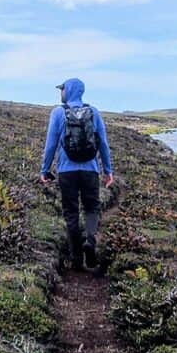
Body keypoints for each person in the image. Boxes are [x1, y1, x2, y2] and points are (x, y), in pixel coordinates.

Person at [39, 78, 114, 269]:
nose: (61, 92)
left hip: (67, 172)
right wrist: (108, 171)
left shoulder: (58, 113)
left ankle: (76, 259)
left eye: (62, 89)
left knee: (71, 213)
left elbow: (51, 145)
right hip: (90, 171)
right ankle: (90, 240)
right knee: (91, 209)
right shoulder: (94, 112)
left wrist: (45, 170)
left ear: (68, 91)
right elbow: (103, 144)